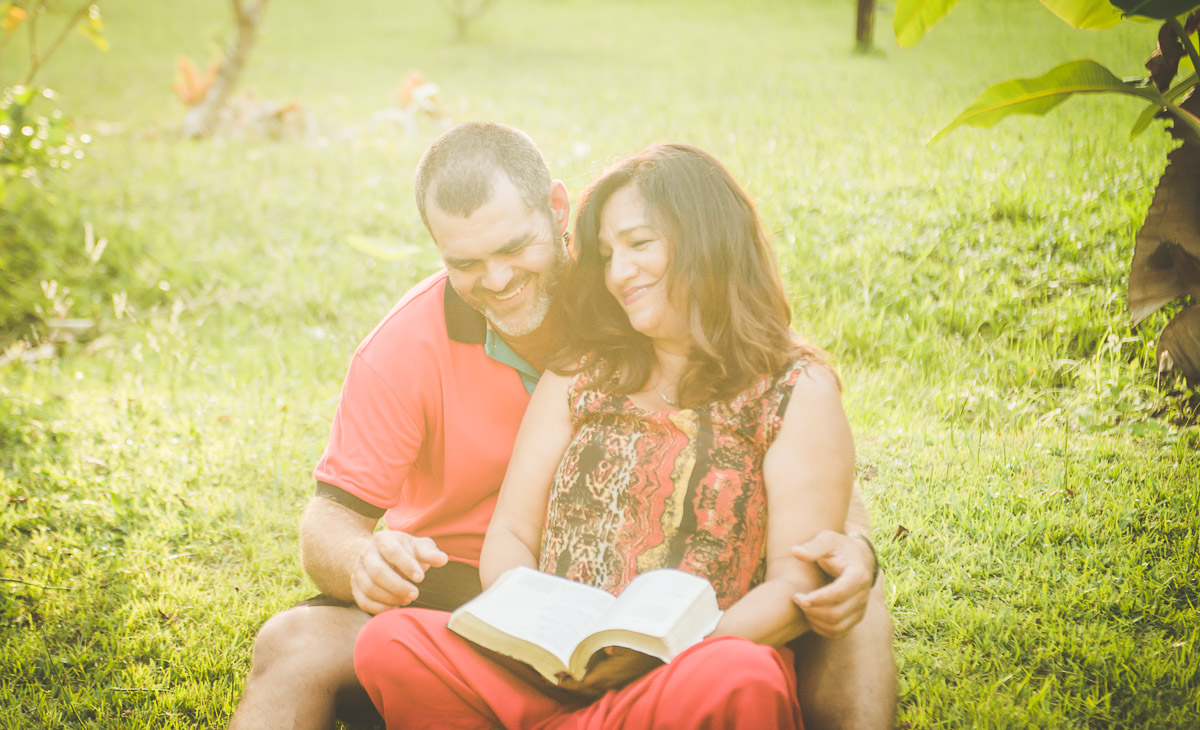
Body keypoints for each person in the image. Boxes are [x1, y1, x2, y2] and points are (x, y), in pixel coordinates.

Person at [229, 123, 894, 730]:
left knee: (833, 589)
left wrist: (854, 551)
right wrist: (361, 561)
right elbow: (331, 517)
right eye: (464, 263)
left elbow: (792, 445)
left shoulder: (629, 296)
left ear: (556, 210)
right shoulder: (417, 347)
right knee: (316, 645)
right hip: (485, 589)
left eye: (514, 246)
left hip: (697, 606)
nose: (497, 279)